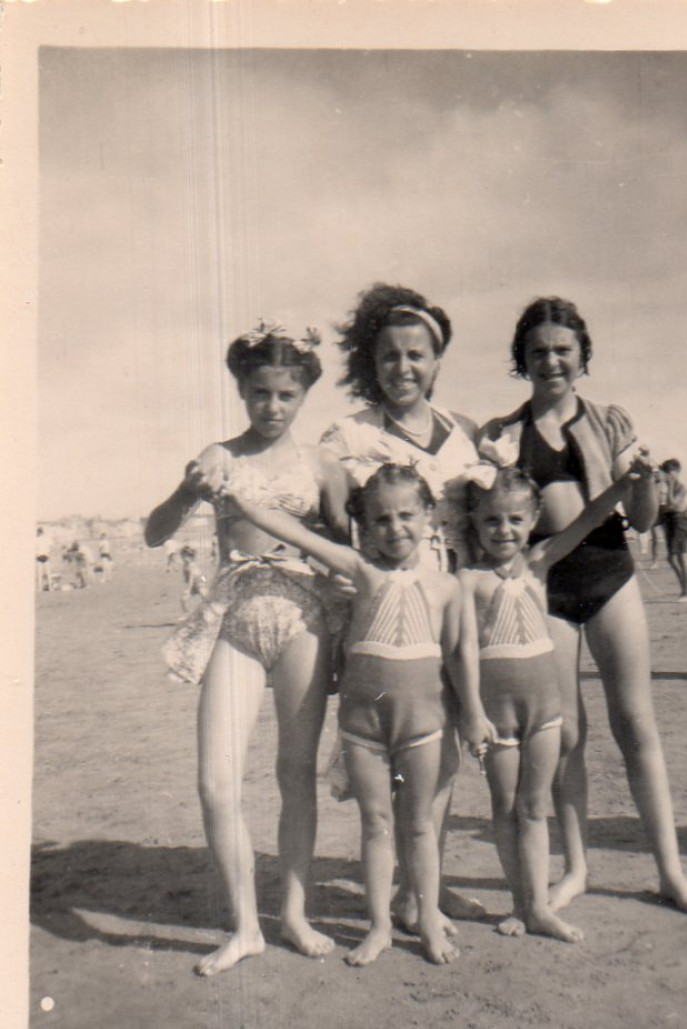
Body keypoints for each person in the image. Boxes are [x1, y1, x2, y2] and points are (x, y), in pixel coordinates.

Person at [479, 297, 687, 916]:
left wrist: (640, 486)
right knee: (567, 734)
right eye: (537, 351)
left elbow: (638, 522)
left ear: (583, 356)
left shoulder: (610, 421)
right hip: (541, 590)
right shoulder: (503, 436)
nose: (551, 360)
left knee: (636, 723)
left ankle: (669, 870)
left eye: (562, 349)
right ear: (521, 361)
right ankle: (577, 868)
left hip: (611, 575)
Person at [144, 323, 350, 976]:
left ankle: (292, 911)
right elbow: (154, 534)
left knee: (295, 773)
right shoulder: (220, 455)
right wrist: (186, 489)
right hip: (235, 616)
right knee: (214, 782)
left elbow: (353, 545)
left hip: (304, 618)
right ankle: (243, 926)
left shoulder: (323, 463)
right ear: (241, 389)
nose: (272, 406)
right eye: (260, 392)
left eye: (286, 393)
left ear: (304, 392)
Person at [223, 463, 466, 966]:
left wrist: (475, 714)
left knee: (419, 825)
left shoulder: (448, 586)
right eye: (381, 519)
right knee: (375, 823)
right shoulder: (360, 571)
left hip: (424, 723)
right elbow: (284, 527)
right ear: (364, 526)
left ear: (429, 516)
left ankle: (427, 919)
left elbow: (461, 657)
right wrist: (237, 494)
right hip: (365, 726)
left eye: (406, 516)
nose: (395, 528)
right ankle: (378, 926)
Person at [321, 282, 481, 932]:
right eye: (389, 356)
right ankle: (394, 896)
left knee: (435, 756)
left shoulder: (464, 433)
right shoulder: (349, 433)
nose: (404, 368)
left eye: (417, 355)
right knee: (380, 755)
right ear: (371, 362)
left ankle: (423, 892)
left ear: (437, 359)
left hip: (444, 600)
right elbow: (329, 510)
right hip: (383, 607)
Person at [457, 459, 652, 943]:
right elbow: (461, 651)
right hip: (496, 713)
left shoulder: (538, 563)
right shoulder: (466, 580)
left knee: (533, 805)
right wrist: (471, 711)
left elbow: (587, 519)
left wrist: (623, 486)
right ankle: (522, 903)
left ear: (533, 519)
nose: (504, 530)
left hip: (544, 710)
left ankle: (540, 907)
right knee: (504, 806)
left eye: (515, 519)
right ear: (474, 523)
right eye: (491, 520)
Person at [660, 459, 687, 602]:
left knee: (682, 556)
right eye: (665, 473)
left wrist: (671, 485)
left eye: (669, 473)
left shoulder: (681, 487)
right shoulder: (666, 488)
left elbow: (673, 504)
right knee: (671, 558)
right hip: (670, 520)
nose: (666, 476)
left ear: (676, 472)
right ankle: (684, 587)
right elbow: (665, 507)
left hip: (680, 519)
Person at [178, 544, 207, 613]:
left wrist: (188, 589)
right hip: (195, 584)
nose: (182, 558)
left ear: (188, 556)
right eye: (181, 556)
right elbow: (188, 578)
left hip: (198, 583)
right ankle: (188, 614)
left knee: (206, 599)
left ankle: (212, 614)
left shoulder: (191, 565)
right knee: (183, 599)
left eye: (183, 556)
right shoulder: (185, 565)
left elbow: (192, 577)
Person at [36, 527, 52, 592]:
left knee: (40, 574)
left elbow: (35, 548)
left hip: (40, 556)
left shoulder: (36, 539)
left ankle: (40, 588)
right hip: (45, 556)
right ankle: (50, 588)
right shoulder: (46, 539)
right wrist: (48, 552)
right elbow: (50, 546)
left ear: (39, 532)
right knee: (48, 573)